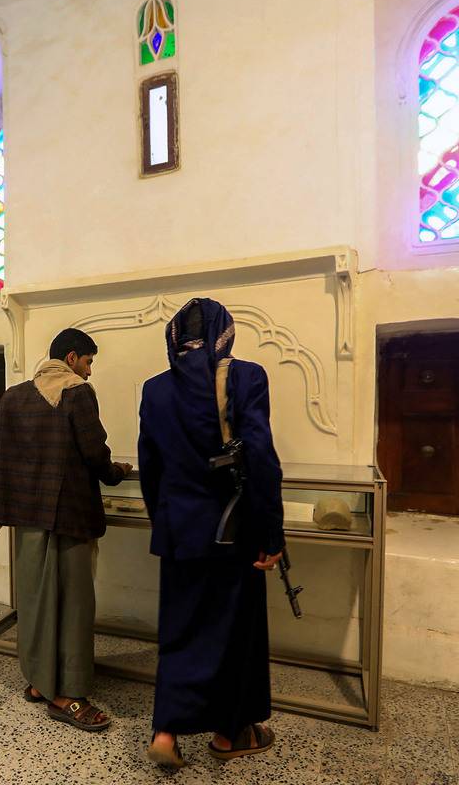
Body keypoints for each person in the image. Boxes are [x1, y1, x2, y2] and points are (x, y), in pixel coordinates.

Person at [137, 298, 284, 767]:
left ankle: (166, 731)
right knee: (235, 632)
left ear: (174, 336)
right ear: (227, 333)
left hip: (181, 530)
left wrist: (164, 521)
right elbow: (260, 457)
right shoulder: (247, 377)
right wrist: (272, 533)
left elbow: (150, 467)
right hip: (233, 530)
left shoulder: (155, 390)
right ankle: (229, 734)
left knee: (180, 629)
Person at [0, 328, 132, 732]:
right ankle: (67, 696)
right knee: (73, 603)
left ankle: (38, 682)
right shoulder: (76, 392)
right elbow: (95, 452)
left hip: (27, 517)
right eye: (89, 361)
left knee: (36, 599)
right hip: (70, 516)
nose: (90, 370)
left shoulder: (15, 395)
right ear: (73, 357)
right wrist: (117, 474)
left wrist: (16, 477)